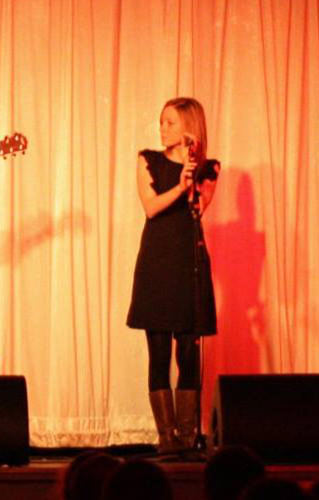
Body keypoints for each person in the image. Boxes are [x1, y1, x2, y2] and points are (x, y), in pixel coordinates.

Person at [127, 97, 219, 452]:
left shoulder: (208, 169)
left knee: (189, 356)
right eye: (161, 121)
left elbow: (199, 208)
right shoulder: (148, 160)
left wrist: (191, 176)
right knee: (159, 353)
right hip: (157, 265)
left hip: (189, 267)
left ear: (189, 128)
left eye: (170, 123)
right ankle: (166, 438)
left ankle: (186, 435)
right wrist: (178, 186)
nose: (162, 128)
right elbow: (151, 208)